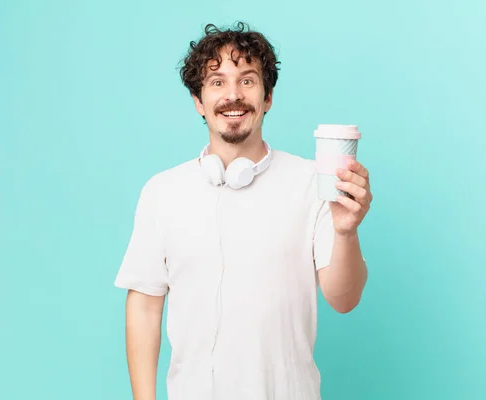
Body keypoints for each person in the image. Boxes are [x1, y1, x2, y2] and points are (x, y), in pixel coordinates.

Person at [114, 21, 373, 400]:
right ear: (198, 101)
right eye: (217, 82)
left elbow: (344, 299)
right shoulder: (162, 192)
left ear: (267, 97)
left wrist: (347, 231)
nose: (232, 95)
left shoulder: (312, 184)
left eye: (247, 81)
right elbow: (145, 307)